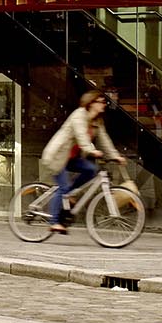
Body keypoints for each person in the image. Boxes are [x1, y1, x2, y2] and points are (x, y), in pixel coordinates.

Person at [39, 90, 121, 235]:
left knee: (91, 169)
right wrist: (91, 150)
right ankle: (54, 222)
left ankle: (70, 193)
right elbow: (81, 135)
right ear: (92, 102)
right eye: (102, 102)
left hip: (71, 158)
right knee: (63, 187)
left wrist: (115, 156)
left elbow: (105, 140)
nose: (104, 105)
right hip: (57, 157)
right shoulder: (79, 115)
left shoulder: (97, 121)